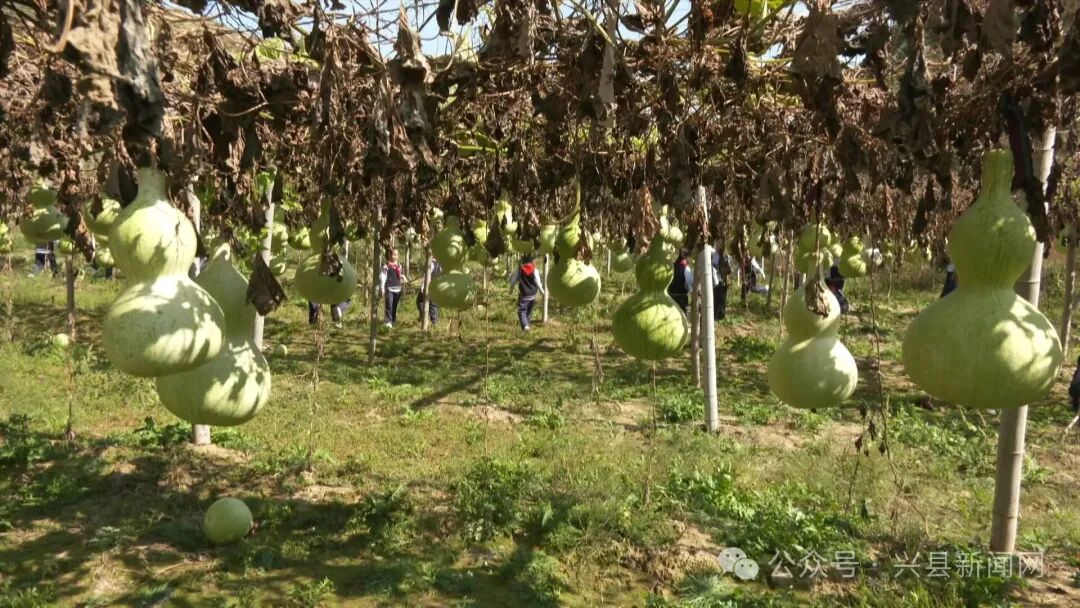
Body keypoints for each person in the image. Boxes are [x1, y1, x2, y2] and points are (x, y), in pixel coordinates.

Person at [509, 254, 545, 331]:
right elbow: (538, 282)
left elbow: (513, 280)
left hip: (523, 295)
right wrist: (542, 291)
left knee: (522, 311)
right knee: (529, 311)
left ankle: (525, 326)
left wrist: (511, 289)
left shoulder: (519, 270)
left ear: (522, 261)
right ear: (532, 261)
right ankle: (527, 325)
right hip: (532, 295)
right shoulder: (534, 270)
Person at [378, 247, 407, 328]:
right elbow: (383, 278)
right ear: (389, 255)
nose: (396, 257)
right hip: (389, 288)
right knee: (389, 305)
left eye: (397, 255)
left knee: (394, 306)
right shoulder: (386, 266)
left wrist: (403, 278)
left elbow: (399, 275)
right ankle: (388, 322)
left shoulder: (399, 265)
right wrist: (382, 288)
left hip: (398, 288)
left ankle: (393, 320)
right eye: (394, 255)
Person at [710, 241, 733, 320]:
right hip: (717, 280)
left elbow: (729, 268)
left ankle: (721, 316)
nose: (719, 246)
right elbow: (714, 267)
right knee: (717, 299)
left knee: (722, 299)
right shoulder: (715, 255)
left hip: (723, 280)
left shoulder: (726, 256)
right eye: (718, 244)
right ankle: (716, 316)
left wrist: (727, 279)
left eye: (721, 245)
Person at [667, 249, 694, 315]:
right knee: (682, 315)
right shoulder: (686, 268)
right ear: (687, 257)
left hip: (671, 294)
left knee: (672, 314)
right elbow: (689, 282)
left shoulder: (673, 265)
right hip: (681, 296)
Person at [416, 256, 442, 325]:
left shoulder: (431, 264)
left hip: (429, 287)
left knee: (420, 302)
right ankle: (432, 320)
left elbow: (426, 276)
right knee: (434, 305)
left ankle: (431, 320)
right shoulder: (440, 264)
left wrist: (422, 286)